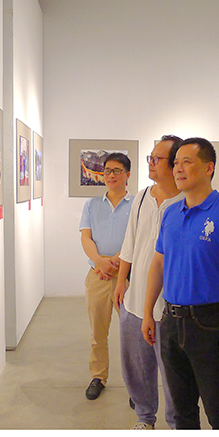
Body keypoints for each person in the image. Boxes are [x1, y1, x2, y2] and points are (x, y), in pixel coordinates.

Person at [141, 137, 219, 429]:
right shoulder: (171, 213)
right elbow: (158, 265)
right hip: (170, 321)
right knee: (181, 411)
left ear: (208, 168)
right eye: (176, 163)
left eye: (186, 162)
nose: (178, 169)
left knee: (218, 409)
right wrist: (148, 312)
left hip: (209, 324)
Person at [114, 135, 184, 430]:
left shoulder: (186, 201)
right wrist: (122, 281)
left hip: (170, 302)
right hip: (135, 299)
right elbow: (129, 242)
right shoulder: (142, 197)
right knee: (136, 366)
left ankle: (177, 422)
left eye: (157, 159)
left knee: (173, 370)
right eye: (150, 158)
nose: (151, 163)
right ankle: (144, 418)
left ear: (175, 164)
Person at [79, 153, 134, 400]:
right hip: (98, 276)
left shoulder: (136, 205)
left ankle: (136, 385)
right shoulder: (92, 205)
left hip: (128, 278)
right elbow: (86, 237)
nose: (111, 175)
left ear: (127, 175)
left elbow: (136, 238)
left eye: (117, 170)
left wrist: (116, 262)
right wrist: (101, 262)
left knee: (132, 334)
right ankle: (98, 376)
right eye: (107, 171)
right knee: (98, 332)